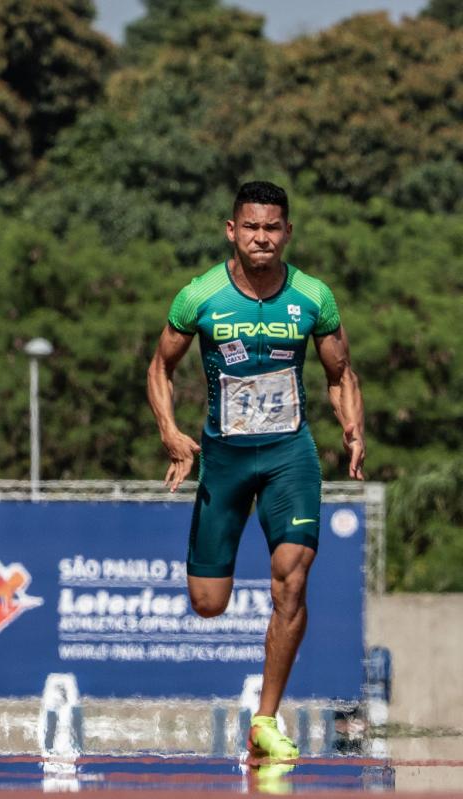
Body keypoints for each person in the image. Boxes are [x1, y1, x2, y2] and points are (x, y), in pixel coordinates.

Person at [146, 181, 365, 770]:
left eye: (272, 228)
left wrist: (352, 428)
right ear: (231, 230)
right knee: (208, 603)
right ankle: (223, 582)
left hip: (290, 456)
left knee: (291, 577)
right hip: (224, 458)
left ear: (287, 232)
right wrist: (171, 434)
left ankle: (265, 720)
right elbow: (159, 368)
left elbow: (340, 374)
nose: (261, 238)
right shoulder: (201, 296)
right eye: (251, 227)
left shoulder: (313, 296)